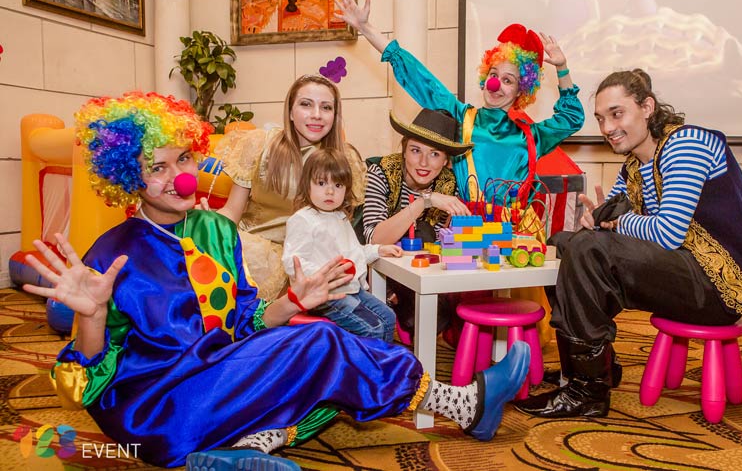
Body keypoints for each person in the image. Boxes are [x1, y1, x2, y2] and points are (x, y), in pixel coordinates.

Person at [22, 92, 532, 469]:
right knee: (322, 347)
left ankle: (242, 448)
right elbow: (81, 386)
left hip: (222, 377)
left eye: (185, 159)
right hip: (158, 407)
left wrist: (293, 301)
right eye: (157, 167)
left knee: (323, 352)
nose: (179, 176)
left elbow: (247, 324)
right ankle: (463, 404)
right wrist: (92, 316)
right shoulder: (112, 252)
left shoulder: (217, 231)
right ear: (128, 178)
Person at [515, 69, 742, 418]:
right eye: (601, 118)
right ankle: (591, 368)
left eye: (617, 114)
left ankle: (588, 393)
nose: (608, 127)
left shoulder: (687, 144)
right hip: (685, 271)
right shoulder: (635, 165)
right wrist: (597, 221)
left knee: (588, 247)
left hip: (720, 287)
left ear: (647, 107)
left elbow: (667, 232)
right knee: (565, 243)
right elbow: (610, 222)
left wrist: (611, 222)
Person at [334, 0, 584, 212]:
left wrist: (562, 68)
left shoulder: (530, 136)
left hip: (513, 234)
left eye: (508, 80)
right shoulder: (463, 117)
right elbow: (418, 76)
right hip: (465, 228)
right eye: (493, 75)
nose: (496, 84)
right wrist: (366, 28)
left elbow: (572, 118)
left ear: (521, 90)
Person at [212, 74, 366, 301]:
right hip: (254, 253)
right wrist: (206, 224)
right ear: (291, 112)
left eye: (326, 107)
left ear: (335, 115)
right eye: (306, 104)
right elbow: (232, 211)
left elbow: (340, 227)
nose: (316, 114)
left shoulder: (344, 159)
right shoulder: (260, 145)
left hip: (311, 259)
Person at [362, 108, 473, 340]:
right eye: (415, 150)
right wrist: (424, 202)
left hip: (418, 274)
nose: (423, 162)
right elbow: (374, 239)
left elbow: (438, 245)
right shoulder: (382, 172)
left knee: (425, 234)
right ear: (404, 150)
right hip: (373, 269)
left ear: (445, 160)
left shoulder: (448, 184)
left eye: (434, 154)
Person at [283, 148, 401, 342]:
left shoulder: (340, 217)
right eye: (322, 183)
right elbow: (292, 261)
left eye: (337, 185)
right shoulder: (303, 219)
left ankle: (383, 359)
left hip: (350, 288)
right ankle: (364, 361)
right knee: (373, 328)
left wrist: (378, 249)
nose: (330, 191)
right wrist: (325, 274)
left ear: (346, 189)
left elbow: (354, 251)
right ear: (307, 185)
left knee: (388, 317)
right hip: (323, 295)